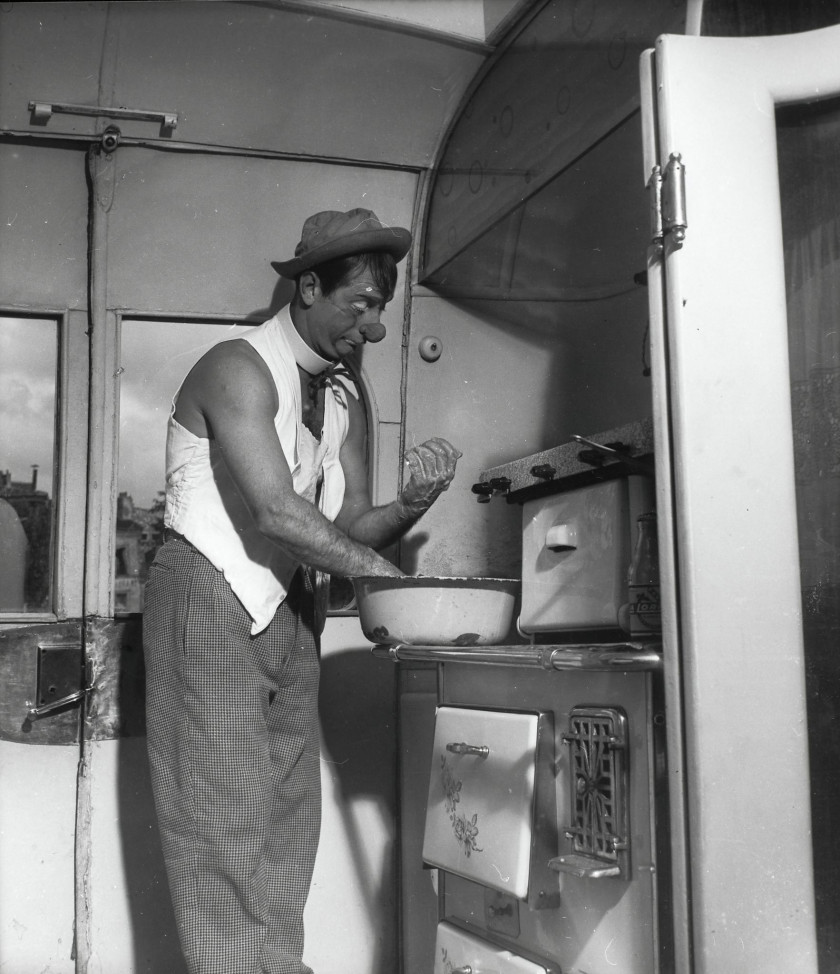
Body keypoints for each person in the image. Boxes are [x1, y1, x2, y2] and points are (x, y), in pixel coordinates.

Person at [143, 208, 460, 974]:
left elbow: (347, 522)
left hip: (290, 613)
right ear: (309, 286)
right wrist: (383, 576)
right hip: (207, 597)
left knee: (288, 828)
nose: (375, 328)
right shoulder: (236, 366)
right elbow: (277, 511)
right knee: (221, 830)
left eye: (382, 308)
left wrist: (410, 507)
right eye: (361, 305)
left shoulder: (346, 396)